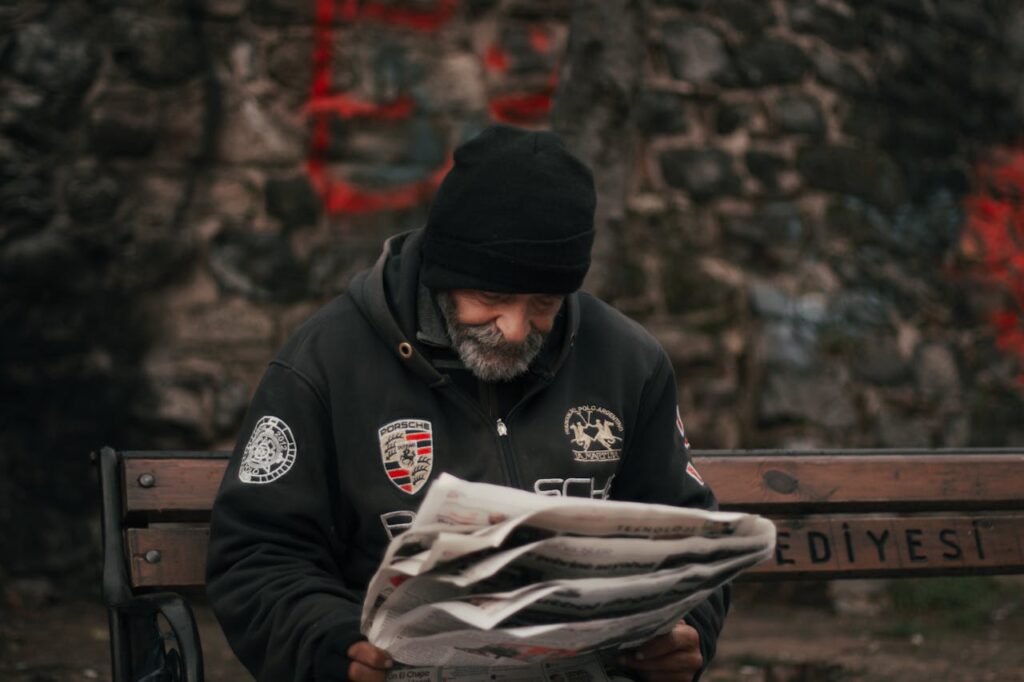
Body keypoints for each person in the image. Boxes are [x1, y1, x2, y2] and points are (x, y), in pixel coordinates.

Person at [206, 124, 729, 682]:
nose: (514, 328)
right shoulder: (326, 361)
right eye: (493, 297)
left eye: (545, 303)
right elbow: (259, 554)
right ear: (442, 273)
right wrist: (330, 647)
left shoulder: (627, 360)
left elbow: (686, 534)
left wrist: (688, 630)